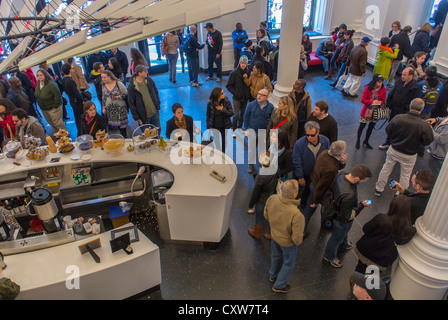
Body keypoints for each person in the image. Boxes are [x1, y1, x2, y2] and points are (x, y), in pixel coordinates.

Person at [375, 98, 434, 196]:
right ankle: (400, 193)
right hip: (409, 154)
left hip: (394, 149)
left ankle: (379, 189)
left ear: (410, 106)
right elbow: (428, 141)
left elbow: (388, 130)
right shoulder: (424, 125)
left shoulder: (399, 118)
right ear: (422, 109)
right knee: (405, 175)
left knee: (386, 168)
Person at [323, 165, 372, 268]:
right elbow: (347, 216)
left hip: (335, 208)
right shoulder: (349, 195)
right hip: (341, 220)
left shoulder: (342, 174)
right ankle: (329, 256)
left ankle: (344, 243)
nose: (363, 182)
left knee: (343, 233)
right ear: (357, 179)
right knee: (336, 237)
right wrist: (362, 205)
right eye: (364, 181)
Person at [354, 195, 416, 274]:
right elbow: (401, 242)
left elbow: (365, 228)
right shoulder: (410, 229)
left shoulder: (381, 218)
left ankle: (356, 283)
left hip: (367, 250)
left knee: (360, 269)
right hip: (382, 259)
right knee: (371, 278)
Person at [264, 180, 305, 294]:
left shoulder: (272, 198)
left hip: (274, 236)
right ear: (294, 194)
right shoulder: (296, 214)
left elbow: (266, 215)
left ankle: (273, 275)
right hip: (287, 243)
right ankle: (280, 285)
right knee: (288, 263)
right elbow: (297, 238)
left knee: (275, 256)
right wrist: (297, 242)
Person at [302, 140, 347, 234]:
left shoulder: (324, 153)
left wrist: (342, 162)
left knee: (308, 210)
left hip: (313, 183)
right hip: (320, 191)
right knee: (313, 209)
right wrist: (316, 201)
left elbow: (335, 165)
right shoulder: (331, 170)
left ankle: (303, 229)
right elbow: (322, 186)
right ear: (340, 153)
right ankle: (303, 231)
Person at [379, 67, 422, 150]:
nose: (402, 76)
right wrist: (389, 103)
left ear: (411, 76)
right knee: (392, 126)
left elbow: (415, 101)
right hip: (394, 110)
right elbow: (393, 92)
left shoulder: (416, 87)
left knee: (400, 129)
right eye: (402, 74)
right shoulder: (399, 81)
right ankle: (388, 142)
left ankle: (395, 144)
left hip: (404, 113)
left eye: (404, 75)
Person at [292, 121, 330, 211]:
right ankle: (301, 206)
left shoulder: (325, 141)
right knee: (303, 192)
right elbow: (296, 162)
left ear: (318, 132)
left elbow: (328, 156)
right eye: (307, 135)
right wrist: (300, 177)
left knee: (313, 191)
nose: (309, 137)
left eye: (312, 135)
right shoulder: (299, 144)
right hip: (305, 174)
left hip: (317, 174)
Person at [243, 89, 275, 175]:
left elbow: (271, 121)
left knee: (262, 150)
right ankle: (251, 165)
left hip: (263, 132)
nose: (259, 96)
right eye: (258, 94)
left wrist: (268, 134)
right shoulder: (250, 105)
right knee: (252, 149)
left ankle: (262, 164)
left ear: (267, 97)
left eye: (262, 95)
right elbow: (245, 117)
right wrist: (246, 129)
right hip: (252, 131)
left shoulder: (271, 107)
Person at [247, 152, 278, 240]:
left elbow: (255, 192)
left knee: (259, 217)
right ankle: (271, 234)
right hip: (272, 197)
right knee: (272, 217)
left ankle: (257, 233)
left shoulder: (261, 176)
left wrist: (251, 204)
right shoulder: (274, 169)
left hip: (262, 199)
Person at [356, 74, 387, 150]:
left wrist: (379, 102)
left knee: (371, 127)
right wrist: (372, 102)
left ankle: (366, 141)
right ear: (375, 81)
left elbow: (383, 100)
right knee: (362, 126)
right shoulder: (367, 88)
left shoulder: (383, 89)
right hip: (367, 111)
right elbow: (363, 100)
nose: (381, 82)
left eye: (382, 81)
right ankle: (358, 140)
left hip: (376, 112)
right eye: (379, 81)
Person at [127, 65, 161, 131]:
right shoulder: (132, 87)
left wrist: (158, 104)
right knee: (147, 135)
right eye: (145, 71)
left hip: (155, 112)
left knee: (157, 131)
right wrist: (137, 118)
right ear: (139, 73)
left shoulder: (149, 80)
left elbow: (156, 92)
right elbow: (131, 103)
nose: (147, 72)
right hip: (143, 117)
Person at [34, 68, 67, 133]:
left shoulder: (51, 85)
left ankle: (65, 135)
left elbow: (58, 96)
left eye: (41, 75)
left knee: (58, 123)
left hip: (53, 108)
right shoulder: (38, 83)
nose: (39, 77)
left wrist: (55, 106)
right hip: (44, 108)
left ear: (45, 75)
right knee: (51, 123)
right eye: (38, 75)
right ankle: (59, 134)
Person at [227, 55, 251, 136]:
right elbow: (228, 86)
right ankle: (233, 130)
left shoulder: (248, 73)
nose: (243, 65)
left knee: (242, 113)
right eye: (242, 63)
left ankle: (240, 127)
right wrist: (235, 92)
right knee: (236, 114)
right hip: (237, 97)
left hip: (245, 97)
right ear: (239, 63)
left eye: (245, 63)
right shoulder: (233, 73)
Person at [101, 70, 128, 137]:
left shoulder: (118, 84)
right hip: (111, 111)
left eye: (104, 77)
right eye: (102, 77)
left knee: (122, 128)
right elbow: (103, 97)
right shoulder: (103, 85)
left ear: (109, 77)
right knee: (116, 128)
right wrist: (103, 107)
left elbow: (126, 95)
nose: (103, 79)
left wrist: (117, 97)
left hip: (120, 109)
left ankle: (126, 140)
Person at [206, 87, 234, 153]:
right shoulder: (210, 103)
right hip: (214, 125)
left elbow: (231, 113)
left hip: (224, 125)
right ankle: (218, 151)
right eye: (222, 93)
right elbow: (208, 115)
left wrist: (222, 110)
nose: (224, 94)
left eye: (223, 92)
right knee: (216, 140)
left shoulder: (227, 102)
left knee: (224, 140)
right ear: (217, 94)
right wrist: (208, 127)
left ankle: (223, 153)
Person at [61, 63, 84, 135]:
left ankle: (79, 131)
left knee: (76, 116)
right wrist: (82, 100)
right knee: (80, 117)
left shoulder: (63, 80)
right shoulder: (70, 80)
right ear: (70, 70)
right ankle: (82, 131)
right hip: (77, 101)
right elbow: (76, 92)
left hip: (71, 100)